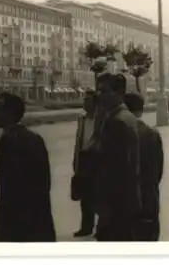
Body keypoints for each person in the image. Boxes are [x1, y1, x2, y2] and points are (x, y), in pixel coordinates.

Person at [0, 92, 56, 242]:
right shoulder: (34, 138)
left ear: (10, 113)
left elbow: (9, 190)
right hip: (37, 220)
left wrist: (0, 220)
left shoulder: (8, 141)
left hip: (17, 225)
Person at [94, 73, 141, 242]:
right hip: (121, 203)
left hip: (116, 204)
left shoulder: (117, 122)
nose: (100, 95)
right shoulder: (121, 117)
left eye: (105, 91)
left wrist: (106, 208)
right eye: (98, 91)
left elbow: (117, 169)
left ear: (119, 92)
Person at [124, 92, 164, 241]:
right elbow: (158, 171)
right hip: (148, 198)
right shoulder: (152, 134)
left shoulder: (115, 131)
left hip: (124, 204)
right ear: (141, 110)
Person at [71, 89, 97, 237]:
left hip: (97, 158)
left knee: (99, 194)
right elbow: (78, 140)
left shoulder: (101, 118)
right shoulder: (82, 119)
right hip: (84, 158)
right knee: (85, 196)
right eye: (84, 100)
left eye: (87, 100)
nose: (84, 103)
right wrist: (76, 160)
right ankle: (86, 227)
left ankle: (100, 227)